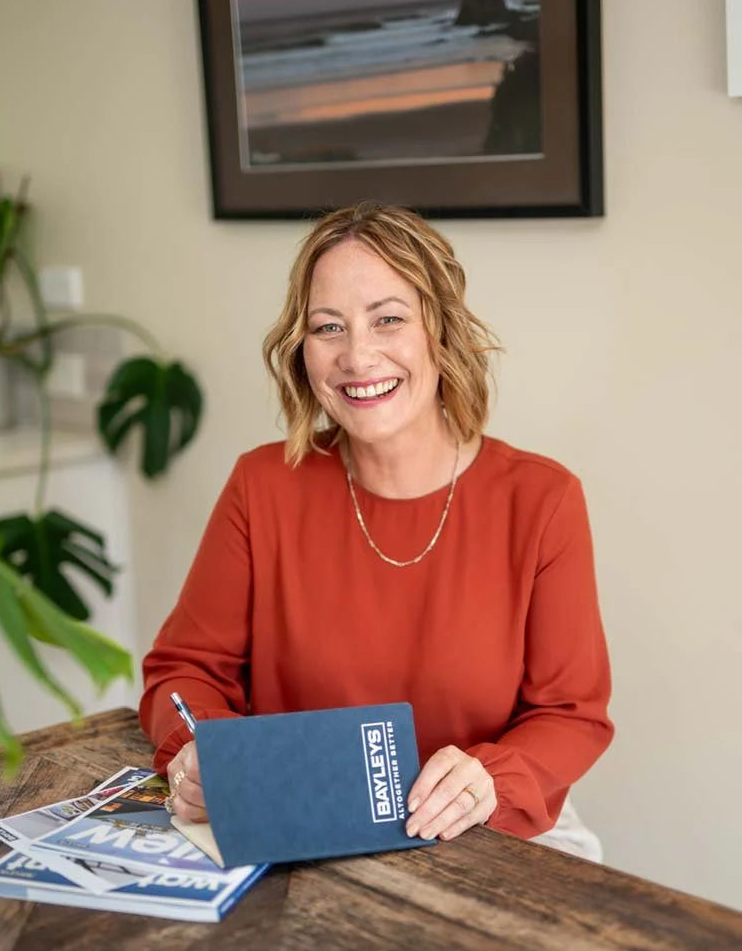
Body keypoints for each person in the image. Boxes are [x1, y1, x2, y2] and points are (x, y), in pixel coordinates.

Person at [139, 203, 613, 860]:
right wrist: (205, 757)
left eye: (388, 319)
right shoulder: (262, 486)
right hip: (303, 832)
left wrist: (489, 780)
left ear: (439, 334)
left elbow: (572, 714)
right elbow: (185, 671)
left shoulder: (542, 499)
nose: (357, 357)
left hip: (487, 832)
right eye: (327, 328)